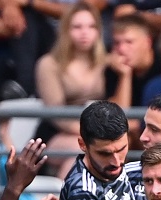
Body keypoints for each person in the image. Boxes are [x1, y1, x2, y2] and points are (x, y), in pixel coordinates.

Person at [34, 2, 108, 178]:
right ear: (66, 30)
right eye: (77, 27)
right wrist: (90, 132)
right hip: (56, 132)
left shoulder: (106, 62)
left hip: (95, 131)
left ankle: (67, 194)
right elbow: (56, 113)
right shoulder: (49, 64)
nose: (84, 32)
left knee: (86, 152)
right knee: (81, 148)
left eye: (91, 26)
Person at [106, 14, 161, 111]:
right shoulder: (113, 67)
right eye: (117, 43)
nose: (122, 49)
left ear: (148, 42)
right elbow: (117, 116)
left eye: (129, 42)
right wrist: (125, 75)